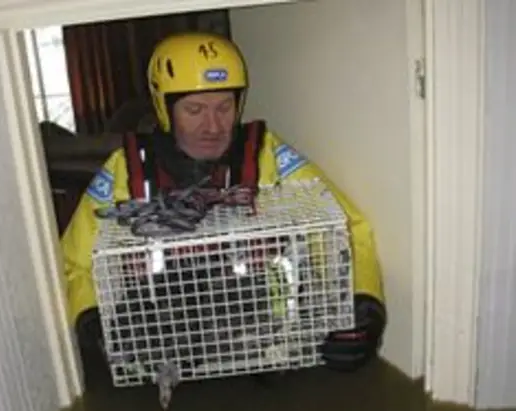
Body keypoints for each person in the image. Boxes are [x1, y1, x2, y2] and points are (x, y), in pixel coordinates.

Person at [60, 32, 387, 378]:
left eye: (224, 107)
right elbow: (73, 261)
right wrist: (89, 317)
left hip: (266, 347)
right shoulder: (126, 167)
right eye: (195, 110)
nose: (213, 127)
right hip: (158, 349)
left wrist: (364, 304)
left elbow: (344, 228)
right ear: (165, 108)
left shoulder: (268, 154)